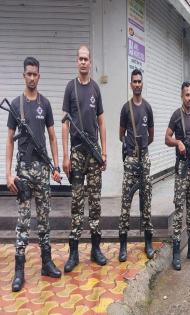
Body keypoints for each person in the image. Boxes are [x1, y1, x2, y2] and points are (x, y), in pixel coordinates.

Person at [6, 57, 62, 292]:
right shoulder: (16, 105)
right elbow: (9, 140)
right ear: (24, 76)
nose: (31, 78)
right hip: (24, 172)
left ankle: (46, 263)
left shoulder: (45, 104)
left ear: (39, 76)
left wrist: (56, 167)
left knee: (44, 220)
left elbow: (52, 136)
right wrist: (8, 174)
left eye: (35, 74)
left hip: (42, 171)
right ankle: (19, 271)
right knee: (23, 222)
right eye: (28, 74)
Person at [62, 45, 107, 272]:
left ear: (90, 62)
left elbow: (101, 121)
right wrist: (65, 156)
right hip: (77, 154)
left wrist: (105, 151)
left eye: (86, 59)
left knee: (96, 202)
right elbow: (65, 123)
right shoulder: (70, 88)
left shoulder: (96, 89)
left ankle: (96, 249)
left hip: (94, 153)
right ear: (76, 61)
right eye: (80, 58)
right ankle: (73, 253)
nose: (83, 62)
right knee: (77, 202)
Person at [165, 81, 190, 270]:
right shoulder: (176, 115)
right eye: (187, 95)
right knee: (179, 212)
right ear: (181, 96)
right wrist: (177, 143)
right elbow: (166, 138)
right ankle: (175, 254)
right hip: (181, 171)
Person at [118, 69, 154, 262]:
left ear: (142, 83)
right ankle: (123, 244)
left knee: (146, 201)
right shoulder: (126, 108)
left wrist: (142, 149)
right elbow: (120, 134)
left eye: (140, 81)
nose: (137, 84)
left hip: (145, 159)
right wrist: (131, 149)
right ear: (131, 84)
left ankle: (148, 241)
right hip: (130, 160)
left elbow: (152, 134)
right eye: (134, 81)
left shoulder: (147, 108)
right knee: (126, 202)